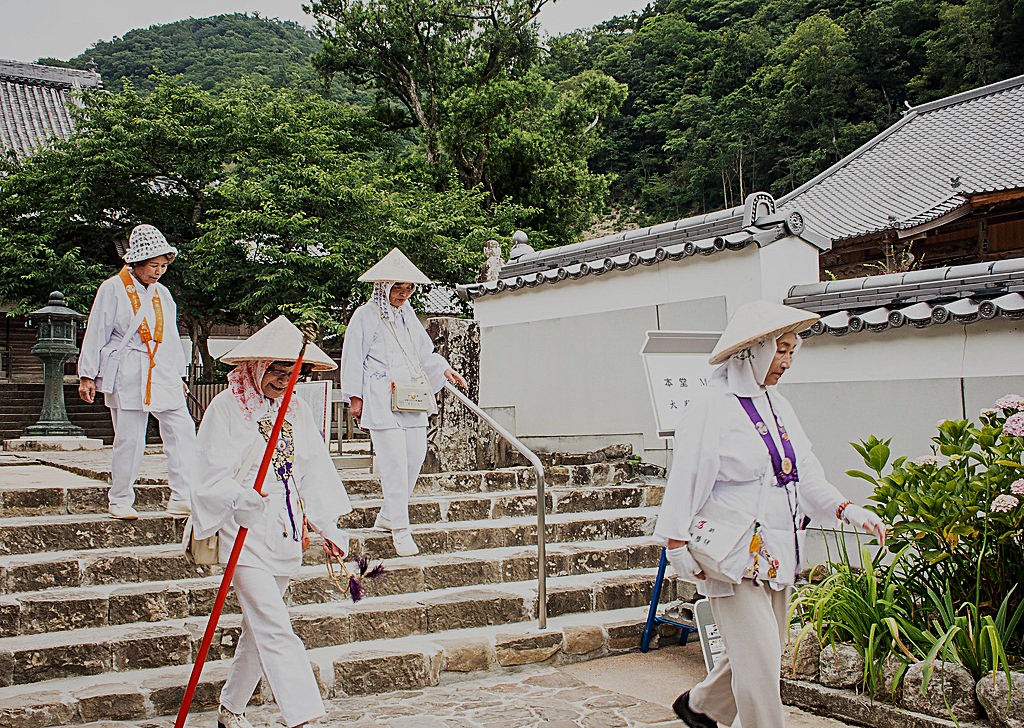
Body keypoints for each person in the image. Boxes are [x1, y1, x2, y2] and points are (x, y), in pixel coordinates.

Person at [654, 300, 886, 728]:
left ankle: (702, 705)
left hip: (778, 549)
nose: (787, 362)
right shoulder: (711, 406)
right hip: (731, 555)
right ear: (753, 350)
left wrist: (849, 510)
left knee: (762, 649)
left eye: (792, 351)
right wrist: (675, 546)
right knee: (760, 667)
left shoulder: (779, 405)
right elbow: (686, 478)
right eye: (781, 350)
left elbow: (804, 473)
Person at [190, 315, 352, 728]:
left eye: (292, 374)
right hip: (241, 532)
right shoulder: (226, 408)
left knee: (257, 629)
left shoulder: (295, 409)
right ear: (257, 368)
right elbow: (207, 474)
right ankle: (304, 716)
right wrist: (239, 497)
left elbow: (313, 470)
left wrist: (328, 526)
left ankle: (231, 707)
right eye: (277, 373)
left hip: (284, 530)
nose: (284, 382)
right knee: (274, 624)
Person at [341, 248, 467, 557]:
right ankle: (400, 528)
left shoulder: (408, 315)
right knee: (394, 462)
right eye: (398, 287)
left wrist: (442, 368)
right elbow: (353, 356)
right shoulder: (365, 315)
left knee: (415, 457)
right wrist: (355, 398)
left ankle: (387, 515)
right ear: (383, 285)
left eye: (408, 287)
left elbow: (423, 353)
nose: (403, 293)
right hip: (379, 392)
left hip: (409, 393)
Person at [77, 224, 195, 519]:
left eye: (163, 266)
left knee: (182, 429)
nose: (158, 271)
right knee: (130, 437)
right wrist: (87, 374)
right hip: (128, 366)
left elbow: (169, 336)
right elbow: (97, 331)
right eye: (153, 265)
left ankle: (182, 494)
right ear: (138, 262)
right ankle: (120, 498)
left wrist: (179, 375)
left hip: (162, 368)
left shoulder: (163, 294)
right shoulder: (112, 288)